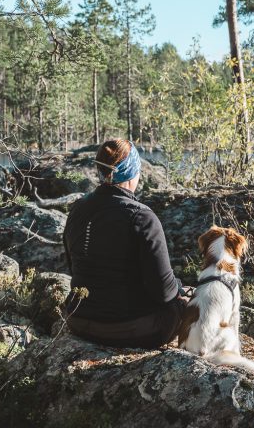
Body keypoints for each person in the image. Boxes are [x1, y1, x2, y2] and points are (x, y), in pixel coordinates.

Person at [61, 138, 191, 348]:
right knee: (186, 304)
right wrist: (180, 291)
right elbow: (164, 292)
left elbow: (74, 267)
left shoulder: (77, 209)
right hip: (130, 330)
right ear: (133, 172)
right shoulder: (142, 217)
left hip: (79, 321)